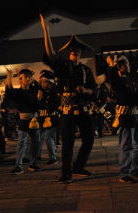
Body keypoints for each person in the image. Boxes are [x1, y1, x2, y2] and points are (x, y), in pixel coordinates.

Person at [40, 15, 96, 183]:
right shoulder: (63, 66)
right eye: (72, 50)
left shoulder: (86, 70)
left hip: (84, 109)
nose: (74, 51)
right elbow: (50, 54)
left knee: (89, 139)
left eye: (77, 50)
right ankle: (66, 173)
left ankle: (78, 167)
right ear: (69, 53)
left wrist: (85, 89)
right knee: (68, 143)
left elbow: (94, 91)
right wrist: (46, 32)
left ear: (81, 53)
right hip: (67, 111)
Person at [107, 55, 138, 183]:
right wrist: (111, 66)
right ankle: (123, 173)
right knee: (126, 145)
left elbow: (137, 97)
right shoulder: (118, 80)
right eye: (126, 64)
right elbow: (112, 79)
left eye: (128, 63)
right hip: (125, 116)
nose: (128, 66)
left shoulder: (129, 80)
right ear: (120, 67)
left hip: (135, 116)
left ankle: (135, 170)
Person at [5, 68, 40, 175]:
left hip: (34, 120)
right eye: (22, 77)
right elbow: (9, 91)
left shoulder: (34, 90)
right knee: (21, 143)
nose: (25, 79)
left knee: (35, 143)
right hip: (23, 120)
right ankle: (18, 166)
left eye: (27, 77)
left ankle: (33, 163)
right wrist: (10, 76)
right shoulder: (17, 92)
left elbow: (39, 89)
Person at [37, 70, 60, 164]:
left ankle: (53, 158)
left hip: (51, 119)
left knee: (48, 137)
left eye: (44, 82)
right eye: (41, 82)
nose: (42, 84)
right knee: (40, 138)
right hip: (41, 119)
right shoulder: (39, 92)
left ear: (50, 83)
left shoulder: (55, 93)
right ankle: (37, 155)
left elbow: (55, 105)